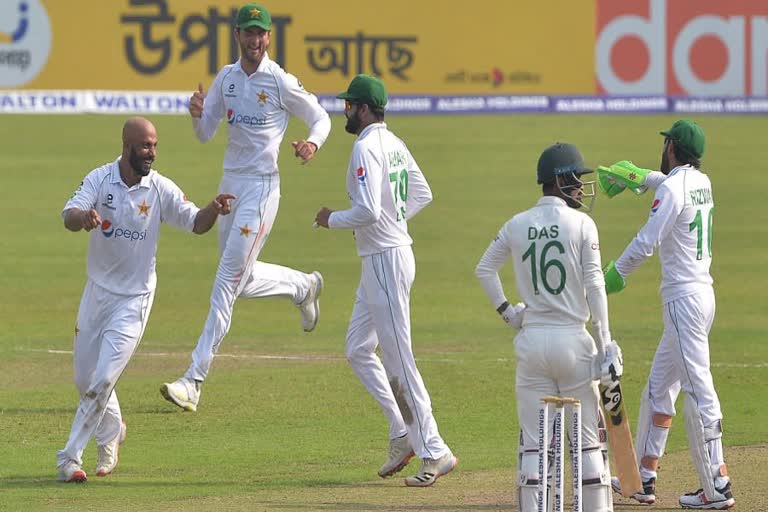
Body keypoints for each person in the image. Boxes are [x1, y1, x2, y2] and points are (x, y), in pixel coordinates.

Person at [160, 2, 331, 412]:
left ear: (269, 37)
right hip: (230, 187)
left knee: (224, 282)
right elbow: (206, 134)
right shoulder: (227, 78)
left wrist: (312, 144)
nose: (255, 40)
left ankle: (193, 379)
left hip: (262, 190)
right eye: (248, 32)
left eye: (261, 33)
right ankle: (302, 286)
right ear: (237, 35)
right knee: (240, 279)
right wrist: (197, 114)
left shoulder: (280, 81)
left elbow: (321, 117)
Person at [57, 117, 234, 482]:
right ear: (127, 147)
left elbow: (196, 223)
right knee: (84, 379)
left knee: (103, 380)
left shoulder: (160, 189)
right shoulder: (100, 179)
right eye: (145, 146)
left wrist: (213, 209)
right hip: (96, 294)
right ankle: (113, 432)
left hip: (133, 301)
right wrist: (84, 217)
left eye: (154, 145)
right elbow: (68, 215)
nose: (152, 152)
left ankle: (69, 459)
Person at [313, 74, 457, 487]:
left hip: (384, 261)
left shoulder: (365, 147)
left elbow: (369, 212)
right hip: (384, 257)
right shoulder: (394, 143)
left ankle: (435, 451)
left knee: (399, 359)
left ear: (362, 109)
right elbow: (423, 193)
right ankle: (402, 432)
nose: (345, 111)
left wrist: (331, 219)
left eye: (348, 106)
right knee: (358, 348)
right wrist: (396, 221)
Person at [475, 142, 621, 511]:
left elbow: (485, 269)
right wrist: (606, 343)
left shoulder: (516, 224)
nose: (580, 187)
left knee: (534, 443)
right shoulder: (583, 224)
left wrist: (509, 312)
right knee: (587, 441)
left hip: (532, 342)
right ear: (557, 180)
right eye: (575, 178)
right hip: (575, 342)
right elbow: (595, 285)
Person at [601, 120, 735, 510]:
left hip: (682, 302)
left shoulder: (675, 189)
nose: (664, 147)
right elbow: (671, 184)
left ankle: (717, 485)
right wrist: (638, 177)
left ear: (673, 147)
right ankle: (641, 477)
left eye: (666, 143)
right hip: (702, 298)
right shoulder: (701, 182)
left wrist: (613, 277)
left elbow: (646, 242)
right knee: (660, 388)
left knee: (699, 391)